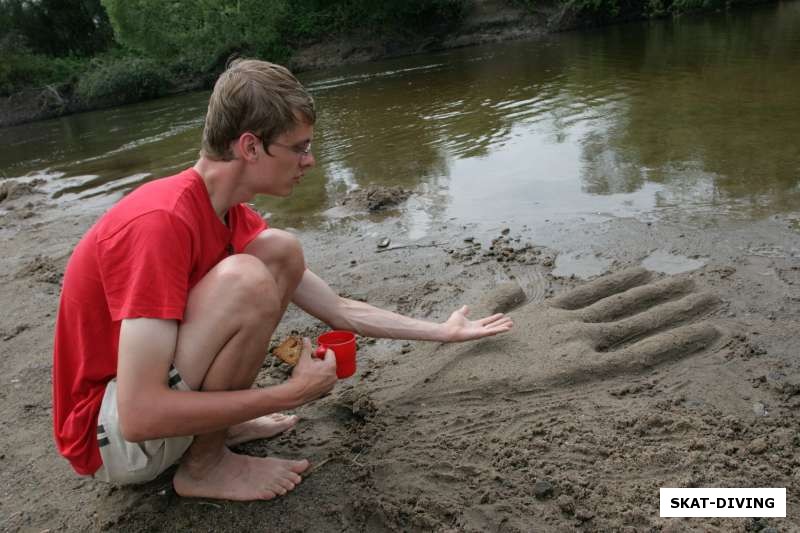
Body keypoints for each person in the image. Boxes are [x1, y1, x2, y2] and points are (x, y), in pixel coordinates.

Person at [52, 59, 513, 502]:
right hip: (109, 440)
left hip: (139, 415)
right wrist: (288, 393)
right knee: (248, 279)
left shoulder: (226, 213)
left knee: (279, 252)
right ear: (251, 147)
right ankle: (205, 467)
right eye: (300, 147)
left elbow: (339, 309)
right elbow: (137, 416)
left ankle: (217, 432)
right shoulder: (161, 222)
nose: (310, 161)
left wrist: (444, 332)